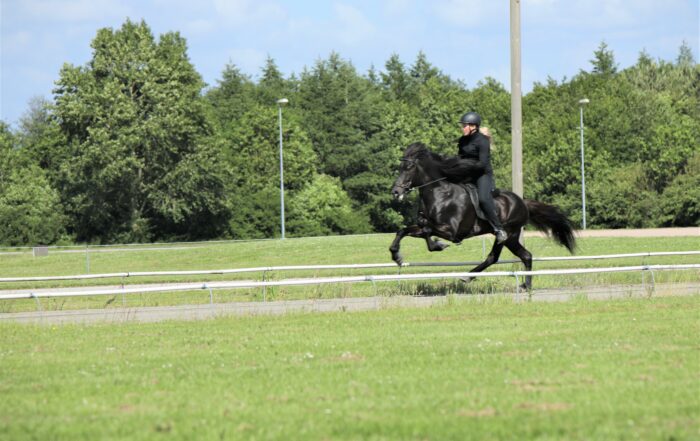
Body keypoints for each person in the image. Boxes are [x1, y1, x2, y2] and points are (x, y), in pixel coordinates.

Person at [457, 111, 507, 244]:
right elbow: (460, 158)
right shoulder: (462, 141)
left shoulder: (482, 141)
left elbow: (482, 163)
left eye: (464, 125)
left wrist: (466, 168)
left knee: (484, 199)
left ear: (473, 126)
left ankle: (499, 229)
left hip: (482, 174)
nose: (462, 128)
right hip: (467, 174)